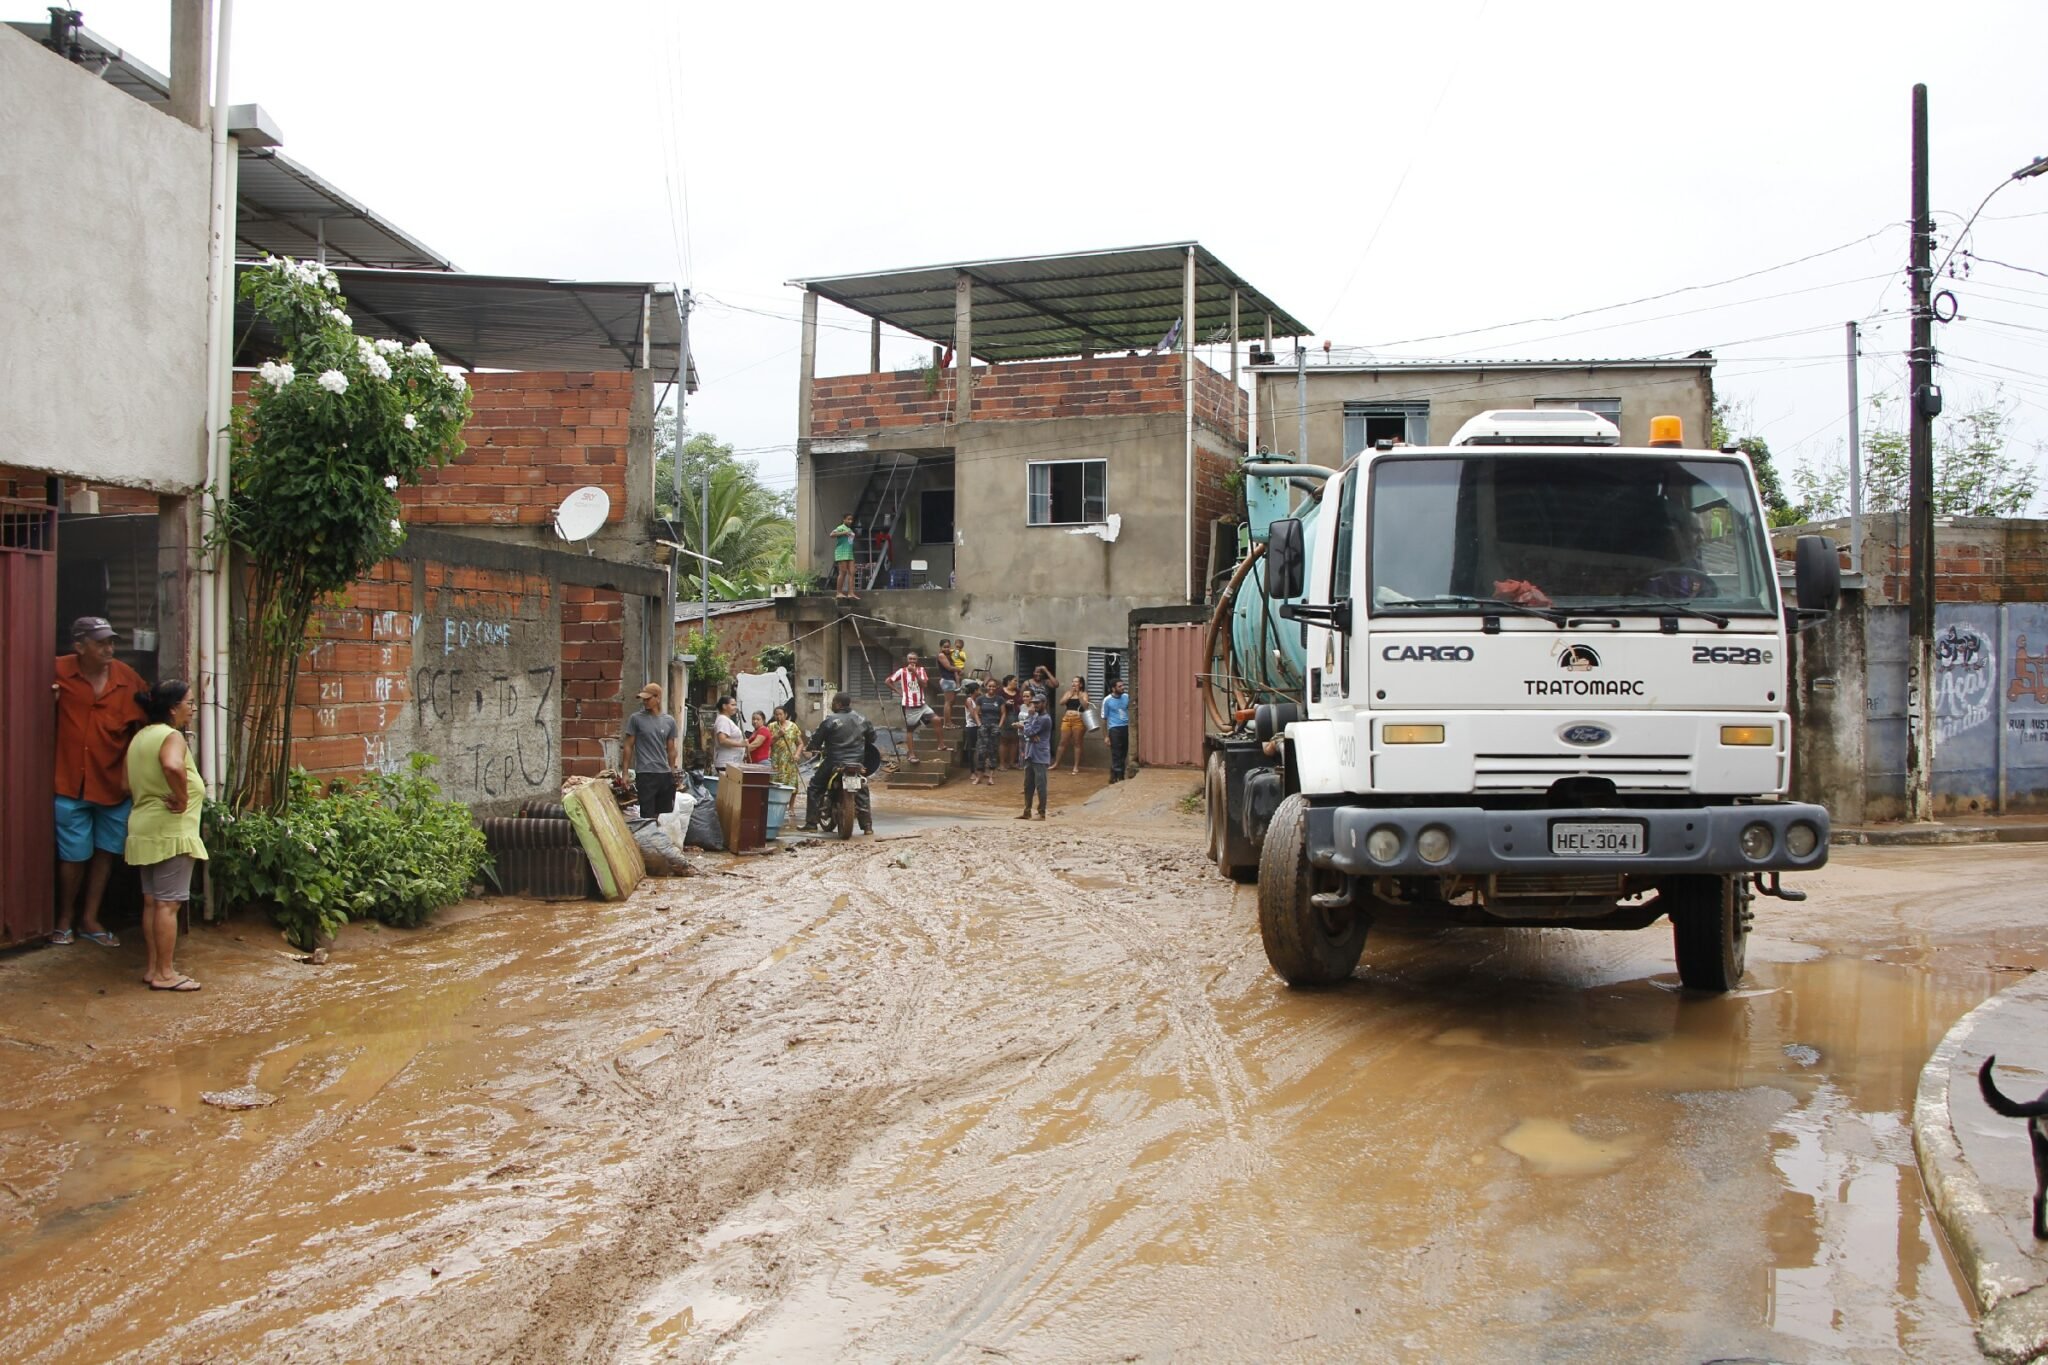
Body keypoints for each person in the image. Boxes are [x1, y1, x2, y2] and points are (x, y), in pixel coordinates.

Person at [52, 615, 146, 947]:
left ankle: (90, 919)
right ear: (79, 646)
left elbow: (148, 724)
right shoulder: (57, 671)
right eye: (100, 642)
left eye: (111, 641)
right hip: (70, 782)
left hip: (113, 784)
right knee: (73, 856)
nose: (109, 648)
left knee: (105, 853)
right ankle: (64, 919)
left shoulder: (127, 679)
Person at [124, 681, 206, 991]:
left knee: (152, 902)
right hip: (171, 830)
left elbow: (123, 782)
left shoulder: (140, 738)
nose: (193, 707)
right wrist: (182, 798)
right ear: (173, 708)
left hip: (143, 828)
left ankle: (152, 968)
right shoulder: (172, 737)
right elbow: (172, 765)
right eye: (189, 701)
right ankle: (166, 974)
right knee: (168, 905)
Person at [801, 692, 876, 833]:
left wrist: (812, 747)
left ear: (838, 704)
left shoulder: (830, 720)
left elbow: (817, 739)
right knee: (862, 790)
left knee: (815, 786)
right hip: (857, 762)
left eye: (833, 702)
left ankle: (811, 824)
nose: (832, 705)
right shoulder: (862, 718)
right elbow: (872, 738)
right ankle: (867, 826)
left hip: (834, 762)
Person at [623, 682, 680, 817]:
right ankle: (648, 836)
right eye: (643, 699)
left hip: (664, 774)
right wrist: (625, 773)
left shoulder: (669, 721)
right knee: (646, 814)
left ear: (658, 698)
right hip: (646, 773)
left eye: (648, 699)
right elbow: (628, 746)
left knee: (659, 813)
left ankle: (654, 836)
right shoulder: (636, 719)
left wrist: (672, 770)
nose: (645, 702)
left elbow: (671, 748)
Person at [887, 650, 932, 762]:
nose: (912, 661)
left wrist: (915, 673)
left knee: (931, 722)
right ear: (907, 660)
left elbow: (924, 684)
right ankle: (911, 754)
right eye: (910, 659)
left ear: (917, 661)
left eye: (914, 659)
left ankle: (916, 750)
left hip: (921, 704)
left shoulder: (921, 670)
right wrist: (898, 692)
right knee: (910, 729)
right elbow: (888, 681)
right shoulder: (901, 671)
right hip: (908, 705)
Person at [1017, 693, 1052, 820]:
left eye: (1037, 703)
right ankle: (1027, 811)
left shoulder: (1044, 718)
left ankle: (1041, 813)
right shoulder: (1037, 716)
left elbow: (1029, 731)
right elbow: (1029, 732)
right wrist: (1029, 730)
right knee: (1028, 785)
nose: (1035, 705)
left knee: (1040, 785)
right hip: (1031, 753)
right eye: (1034, 703)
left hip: (1040, 755)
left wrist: (1026, 727)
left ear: (1044, 703)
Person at [1053, 676, 1091, 776]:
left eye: (1076, 682)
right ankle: (1056, 763)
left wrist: (1079, 695)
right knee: (1062, 741)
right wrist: (1070, 695)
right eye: (1072, 682)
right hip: (1067, 719)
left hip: (1078, 720)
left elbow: (1085, 706)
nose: (1073, 684)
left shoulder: (1084, 694)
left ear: (1081, 684)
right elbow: (1061, 702)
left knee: (1077, 742)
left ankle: (1076, 766)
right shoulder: (1068, 693)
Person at [973, 678, 1004, 784]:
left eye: (993, 686)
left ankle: (991, 776)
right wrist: (979, 724)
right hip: (983, 726)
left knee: (993, 751)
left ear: (997, 687)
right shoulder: (980, 699)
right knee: (981, 751)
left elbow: (1003, 713)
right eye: (989, 686)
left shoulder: (1000, 699)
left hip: (994, 726)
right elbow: (976, 712)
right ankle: (979, 776)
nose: (991, 688)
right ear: (986, 687)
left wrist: (999, 726)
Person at [768, 703, 804, 790]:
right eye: (776, 714)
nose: (778, 716)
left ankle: (791, 804)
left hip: (790, 759)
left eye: (780, 714)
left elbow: (800, 743)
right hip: (776, 760)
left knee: (791, 785)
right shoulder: (771, 726)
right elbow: (768, 743)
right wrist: (778, 735)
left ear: (786, 715)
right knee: (775, 784)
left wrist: (797, 754)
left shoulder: (793, 726)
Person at [1102, 678, 1131, 782]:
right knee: (1116, 753)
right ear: (1113, 688)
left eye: (1123, 685)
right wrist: (1106, 736)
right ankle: (1118, 776)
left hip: (1126, 727)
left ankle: (1117, 774)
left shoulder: (1127, 697)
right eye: (1120, 686)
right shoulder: (1107, 700)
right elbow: (1104, 719)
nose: (1123, 688)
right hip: (1114, 729)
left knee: (1124, 752)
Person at [710, 695, 747, 773]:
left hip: (731, 763)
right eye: (732, 705)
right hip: (726, 763)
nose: (735, 708)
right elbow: (722, 740)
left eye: (735, 705)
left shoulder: (726, 720)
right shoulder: (723, 720)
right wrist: (741, 744)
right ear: (724, 706)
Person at [933, 637, 961, 736]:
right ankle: (947, 723)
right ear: (941, 647)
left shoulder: (948, 655)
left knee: (951, 702)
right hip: (947, 680)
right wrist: (958, 669)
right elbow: (949, 667)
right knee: (948, 702)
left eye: (948, 647)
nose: (947, 649)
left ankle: (949, 722)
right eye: (945, 647)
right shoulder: (941, 655)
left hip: (950, 680)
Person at [831, 512, 859, 599]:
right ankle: (839, 592)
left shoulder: (850, 530)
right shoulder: (840, 528)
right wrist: (843, 533)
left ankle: (851, 593)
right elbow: (831, 534)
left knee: (852, 572)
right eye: (848, 519)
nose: (850, 521)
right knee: (843, 572)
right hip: (841, 552)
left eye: (851, 519)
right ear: (844, 520)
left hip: (849, 553)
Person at [997, 674, 1022, 770]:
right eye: (1014, 680)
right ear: (1008, 681)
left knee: (1015, 740)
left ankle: (1012, 762)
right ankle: (1002, 763)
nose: (1016, 682)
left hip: (1017, 717)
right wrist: (1005, 703)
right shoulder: (1001, 692)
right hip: (1005, 717)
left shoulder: (1018, 691)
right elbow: (997, 703)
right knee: (1004, 740)